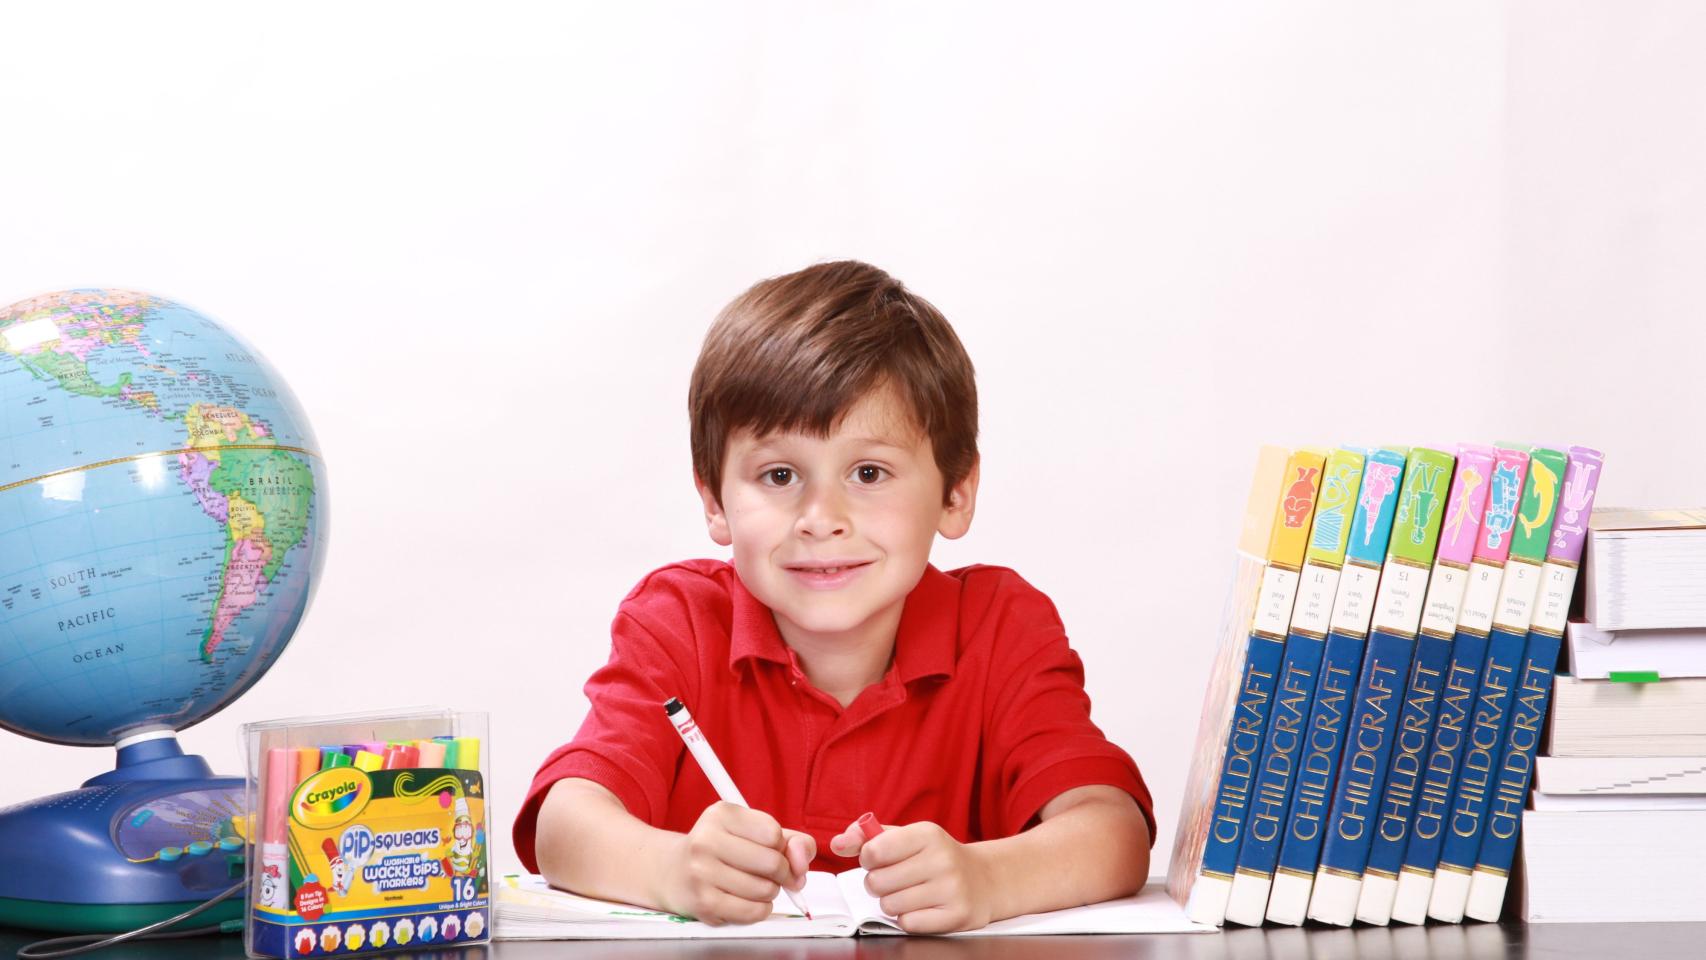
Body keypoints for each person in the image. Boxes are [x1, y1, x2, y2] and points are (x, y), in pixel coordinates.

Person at [512, 260, 1154, 933]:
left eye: (869, 472)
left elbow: (1112, 832)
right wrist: (671, 868)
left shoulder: (1001, 627)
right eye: (779, 473)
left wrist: (989, 878)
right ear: (715, 501)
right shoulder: (678, 621)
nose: (821, 516)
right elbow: (564, 824)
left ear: (955, 493)